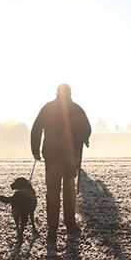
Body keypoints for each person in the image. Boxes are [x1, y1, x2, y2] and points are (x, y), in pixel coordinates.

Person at [31, 84, 92, 244]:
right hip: (70, 155)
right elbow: (87, 129)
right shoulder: (76, 108)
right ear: (70, 93)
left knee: (52, 192)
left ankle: (52, 229)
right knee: (69, 190)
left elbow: (36, 129)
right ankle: (70, 224)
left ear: (57, 93)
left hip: (51, 155)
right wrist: (81, 137)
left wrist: (35, 150)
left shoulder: (48, 108)